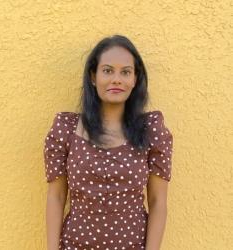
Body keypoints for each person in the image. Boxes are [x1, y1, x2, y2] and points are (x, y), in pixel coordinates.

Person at [43, 34, 174, 250]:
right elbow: (56, 196)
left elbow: (158, 202)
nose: (116, 79)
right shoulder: (66, 130)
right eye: (107, 70)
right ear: (93, 77)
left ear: (135, 79)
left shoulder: (151, 131)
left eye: (125, 72)